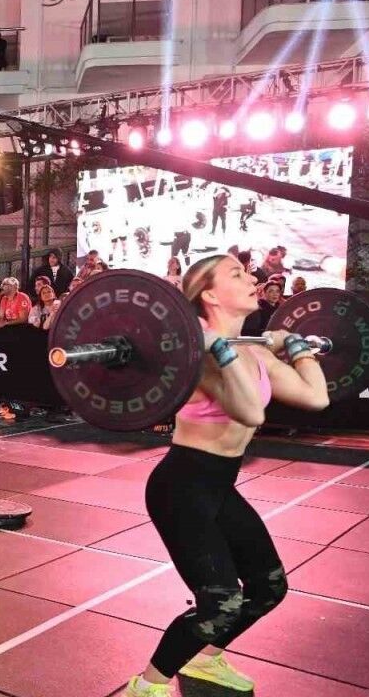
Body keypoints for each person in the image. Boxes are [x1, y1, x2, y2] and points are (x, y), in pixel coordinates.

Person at [122, 254, 329, 697]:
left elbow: (316, 398)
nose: (252, 277)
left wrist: (297, 346)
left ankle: (207, 658)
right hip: (181, 487)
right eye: (237, 274)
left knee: (269, 587)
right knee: (220, 602)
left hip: (219, 486)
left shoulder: (253, 353)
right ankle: (146, 686)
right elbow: (251, 411)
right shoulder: (198, 359)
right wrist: (218, 347)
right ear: (211, 295)